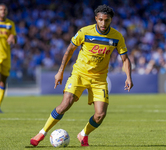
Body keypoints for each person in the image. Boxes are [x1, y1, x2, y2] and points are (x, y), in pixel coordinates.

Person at [30, 4, 133, 147]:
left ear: (111, 20)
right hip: (79, 74)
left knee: (100, 115)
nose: (104, 23)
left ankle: (83, 134)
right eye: (101, 20)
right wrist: (60, 71)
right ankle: (42, 133)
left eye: (107, 20)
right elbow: (69, 50)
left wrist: (128, 76)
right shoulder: (85, 32)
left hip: (99, 79)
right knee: (65, 104)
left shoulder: (117, 37)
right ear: (96, 19)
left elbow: (125, 58)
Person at [0, 3, 17, 113]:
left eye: (4, 9)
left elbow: (15, 38)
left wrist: (12, 37)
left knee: (3, 82)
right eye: (1, 9)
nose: (3, 11)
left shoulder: (10, 24)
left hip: (6, 57)